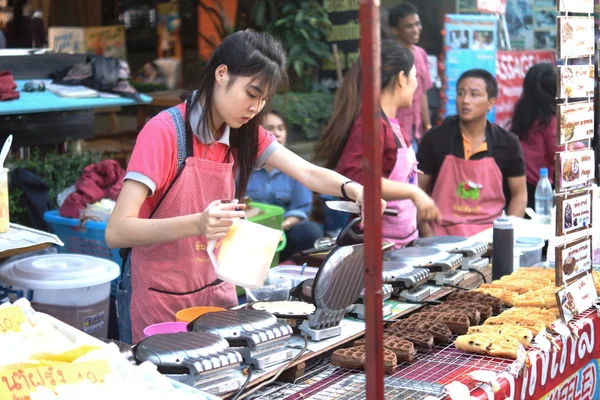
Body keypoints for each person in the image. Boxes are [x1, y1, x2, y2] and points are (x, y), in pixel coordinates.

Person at [105, 30, 385, 344]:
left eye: (264, 99)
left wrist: (356, 190)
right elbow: (117, 231)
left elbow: (306, 172)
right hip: (159, 299)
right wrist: (196, 223)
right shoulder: (163, 132)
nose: (256, 107)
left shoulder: (244, 133)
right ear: (221, 74)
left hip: (216, 293)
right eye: (252, 93)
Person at [314, 40, 440, 248]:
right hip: (376, 247)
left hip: (404, 243)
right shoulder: (371, 124)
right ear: (401, 79)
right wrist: (413, 192)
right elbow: (357, 179)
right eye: (415, 76)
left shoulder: (393, 125)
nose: (417, 84)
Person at [417, 69, 527, 237]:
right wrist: (426, 231)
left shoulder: (507, 143)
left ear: (491, 102)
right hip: (442, 235)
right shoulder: (435, 138)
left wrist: (506, 234)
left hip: (490, 236)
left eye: (474, 95)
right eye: (461, 93)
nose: (465, 100)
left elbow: (519, 194)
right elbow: (419, 188)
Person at [246, 110, 324, 261]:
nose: (277, 133)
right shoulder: (242, 166)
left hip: (283, 233)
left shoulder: (295, 168)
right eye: (270, 128)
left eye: (281, 128)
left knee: (311, 231)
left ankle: (292, 268)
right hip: (248, 230)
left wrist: (282, 225)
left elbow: (301, 209)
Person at [510, 63, 583, 210]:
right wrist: (579, 147)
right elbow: (563, 161)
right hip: (540, 190)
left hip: (520, 183)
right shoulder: (551, 120)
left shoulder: (523, 113)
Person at [388, 3, 432, 150]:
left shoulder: (421, 54)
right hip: (394, 130)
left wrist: (427, 125)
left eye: (417, 24)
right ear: (395, 30)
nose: (415, 30)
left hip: (416, 130)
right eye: (409, 26)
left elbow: (423, 93)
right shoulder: (389, 56)